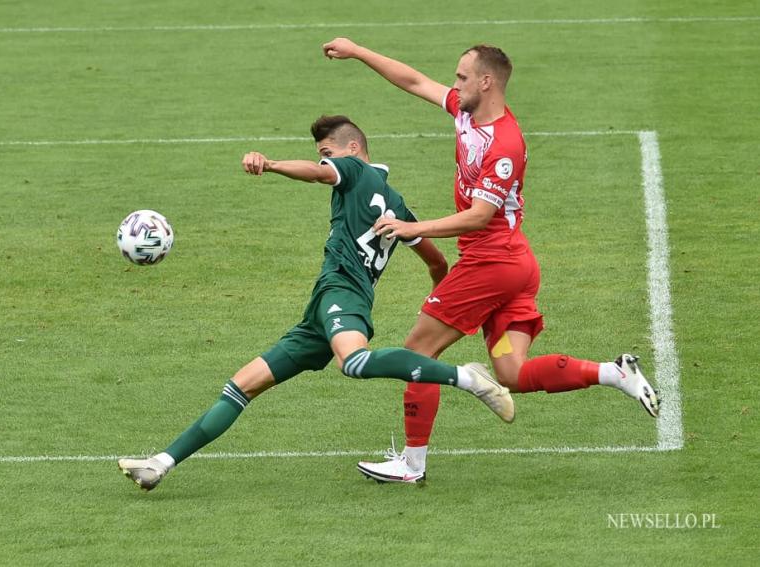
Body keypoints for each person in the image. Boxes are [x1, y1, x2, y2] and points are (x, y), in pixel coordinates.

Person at [321, 38, 660, 483]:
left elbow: (480, 216)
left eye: (462, 77)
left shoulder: (505, 145)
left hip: (491, 264)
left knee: (418, 351)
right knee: (512, 373)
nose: (454, 84)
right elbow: (414, 80)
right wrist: (359, 51)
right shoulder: (466, 112)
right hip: (516, 263)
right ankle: (614, 373)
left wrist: (412, 228)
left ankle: (412, 464)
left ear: (486, 81)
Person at [118, 115, 514, 491]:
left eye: (329, 152)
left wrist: (270, 164)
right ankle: (160, 464)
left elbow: (320, 173)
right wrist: (436, 294)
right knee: (240, 386)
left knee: (354, 363)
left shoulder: (355, 170)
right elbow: (436, 260)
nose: (326, 161)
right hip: (320, 314)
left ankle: (467, 378)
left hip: (341, 294)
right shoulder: (398, 204)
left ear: (353, 148)